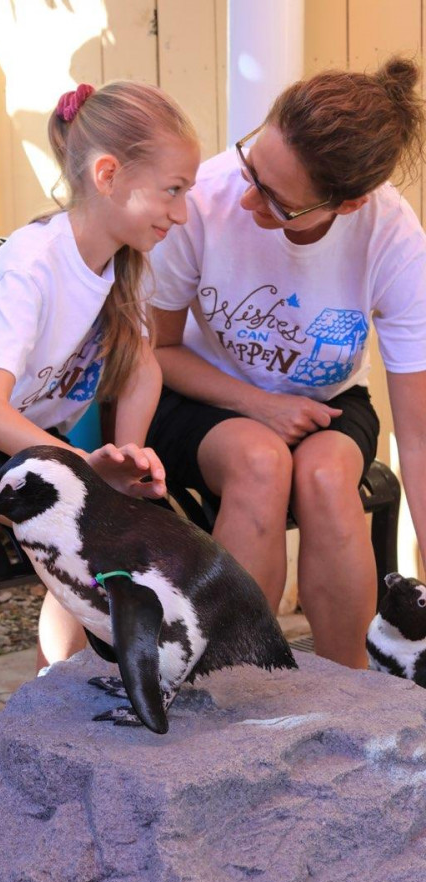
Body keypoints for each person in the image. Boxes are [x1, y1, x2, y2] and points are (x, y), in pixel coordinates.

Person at [0, 79, 200, 670]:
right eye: (172, 191)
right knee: (77, 513)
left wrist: (129, 458)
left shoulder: (117, 263)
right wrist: (81, 468)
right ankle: (68, 679)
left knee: (146, 523)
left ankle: (119, 674)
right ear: (108, 174)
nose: (181, 214)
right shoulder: (31, 267)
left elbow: (141, 368)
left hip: (22, 452)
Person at [146, 57, 426, 670]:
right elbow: (157, 351)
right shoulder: (205, 201)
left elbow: (420, 438)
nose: (248, 197)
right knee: (260, 461)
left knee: (328, 479)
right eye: (251, 165)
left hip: (327, 404)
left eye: (276, 199)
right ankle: (232, 686)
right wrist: (259, 404)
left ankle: (349, 698)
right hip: (198, 397)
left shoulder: (393, 239)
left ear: (346, 205)